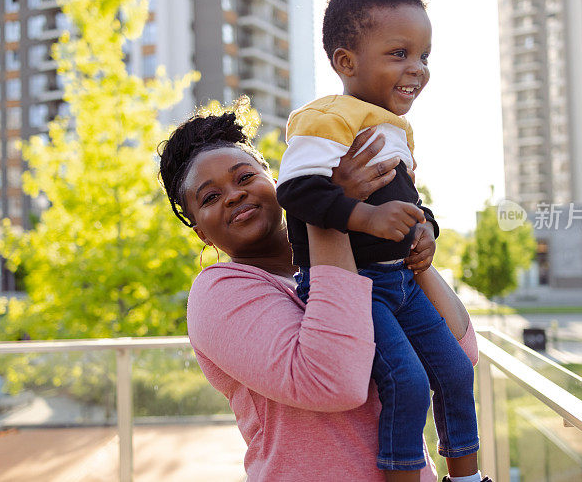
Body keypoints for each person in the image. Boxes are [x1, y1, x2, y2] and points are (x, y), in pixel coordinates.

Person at [158, 111, 480, 481]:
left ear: (275, 180)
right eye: (211, 197)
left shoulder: (354, 259)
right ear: (201, 232)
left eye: (245, 177)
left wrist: (414, 256)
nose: (234, 195)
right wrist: (330, 208)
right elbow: (335, 382)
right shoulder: (219, 292)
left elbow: (460, 354)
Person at [275, 0, 485, 482]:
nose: (417, 68)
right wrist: (366, 216)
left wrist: (426, 229)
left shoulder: (397, 127)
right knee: (408, 383)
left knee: (456, 371)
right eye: (399, 53)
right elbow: (295, 192)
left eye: (424, 56)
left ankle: (469, 477)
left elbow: (408, 199)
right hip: (355, 288)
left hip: (401, 280)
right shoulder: (324, 118)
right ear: (346, 62)